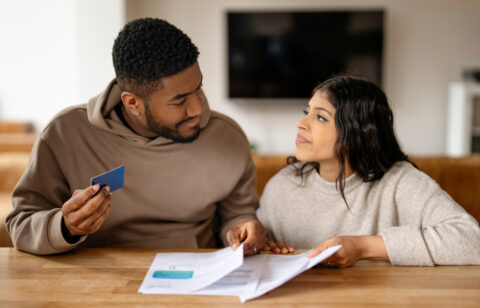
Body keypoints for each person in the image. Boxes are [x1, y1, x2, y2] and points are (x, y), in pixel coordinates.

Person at [6, 18, 266, 255]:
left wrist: (242, 228)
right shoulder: (65, 134)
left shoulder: (227, 136)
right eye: (179, 101)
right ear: (132, 103)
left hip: (197, 276)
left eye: (198, 88)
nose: (198, 108)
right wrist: (64, 226)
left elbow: (237, 214)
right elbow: (21, 224)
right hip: (100, 282)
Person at [257, 76, 480, 267]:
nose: (301, 123)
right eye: (307, 112)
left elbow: (472, 241)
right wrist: (266, 248)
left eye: (321, 117)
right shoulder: (282, 186)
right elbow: (254, 255)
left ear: (356, 133)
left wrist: (363, 247)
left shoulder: (400, 182)